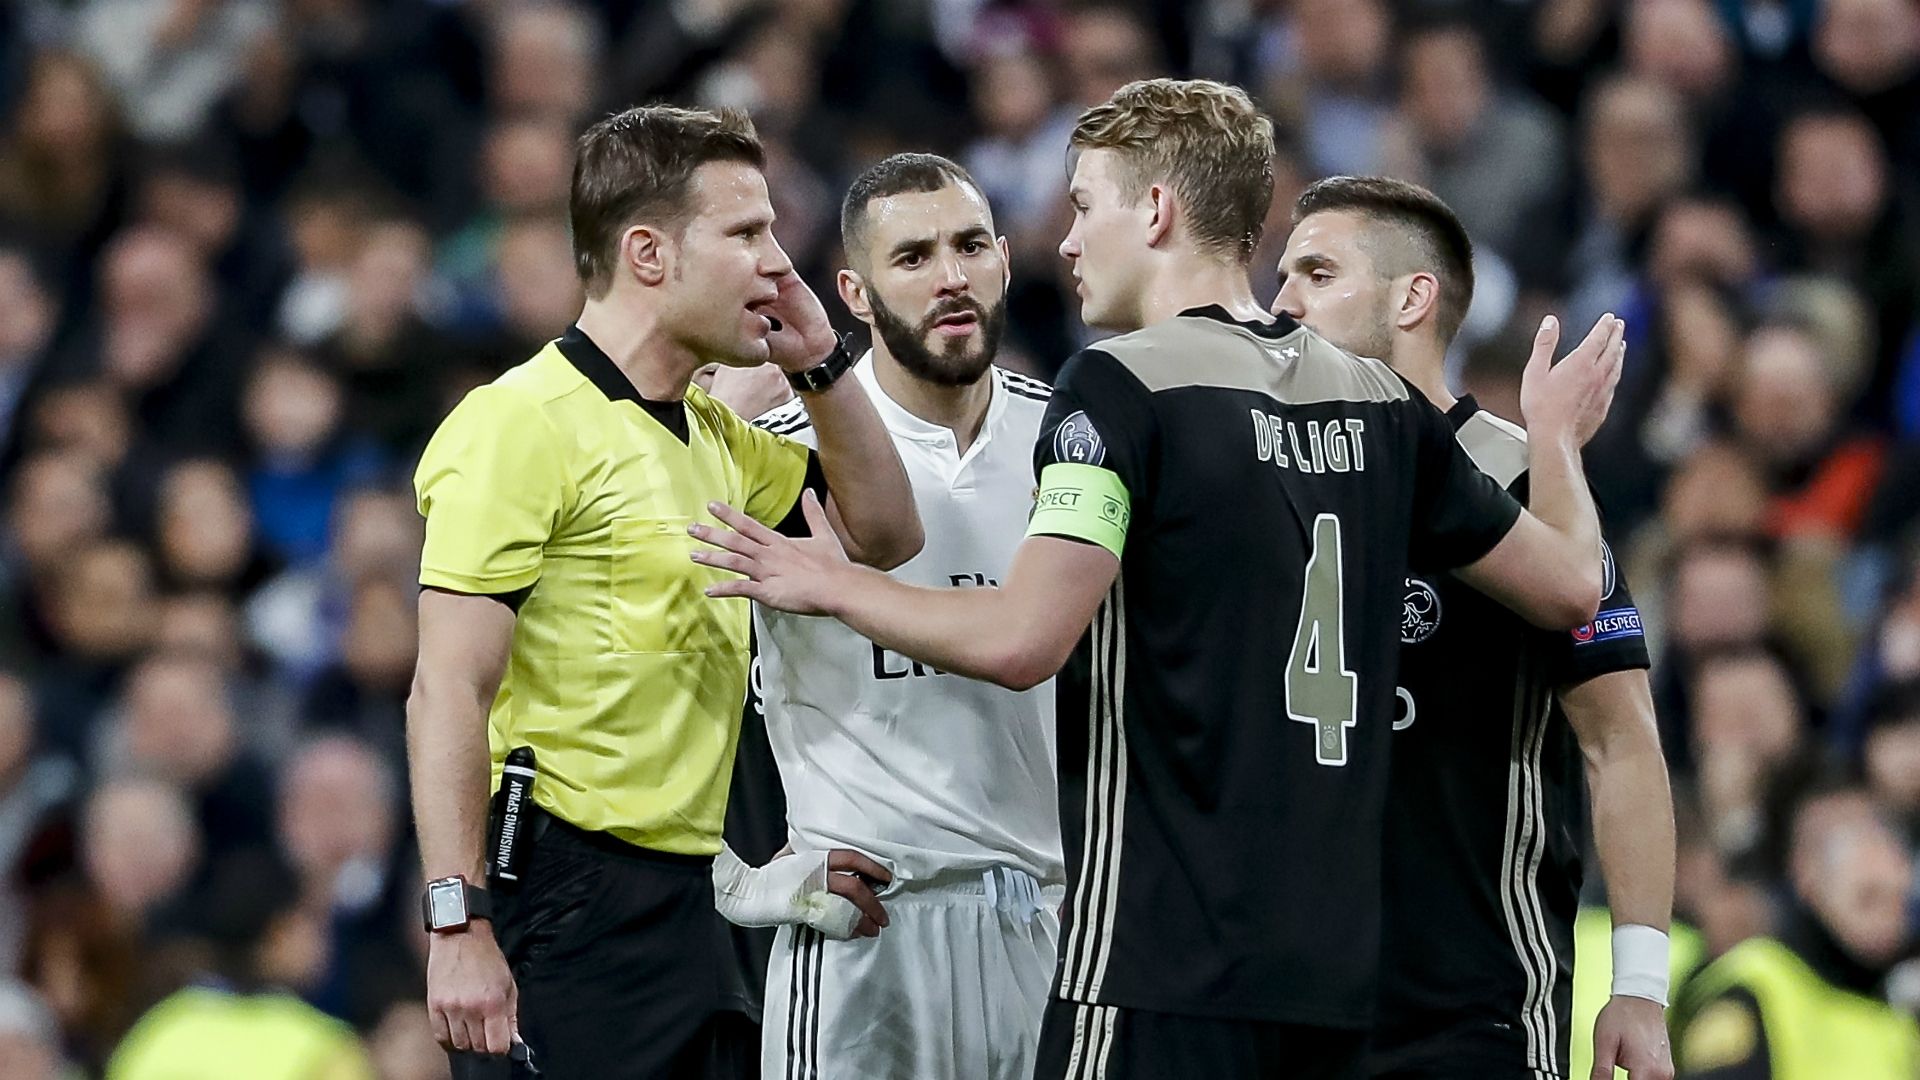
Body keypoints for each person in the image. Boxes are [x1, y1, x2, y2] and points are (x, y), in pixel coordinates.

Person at [688, 78, 1623, 1079]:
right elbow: (1573, 588)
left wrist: (831, 584)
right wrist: (1557, 446)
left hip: (1158, 960)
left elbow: (1023, 640)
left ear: (1159, 211)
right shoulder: (1381, 399)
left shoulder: (1120, 388)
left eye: (1087, 205)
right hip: (1335, 974)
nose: (1071, 241)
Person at [406, 104, 921, 1079]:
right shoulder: (518, 424)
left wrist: (820, 360)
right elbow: (448, 689)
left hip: (696, 898)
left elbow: (887, 534)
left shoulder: (716, 438)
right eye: (746, 233)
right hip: (557, 897)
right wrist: (457, 922)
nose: (778, 262)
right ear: (648, 253)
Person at [1271, 175, 1677, 1080]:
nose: (1282, 299)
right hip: (1287, 1007)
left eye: (1317, 273)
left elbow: (1625, 743)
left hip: (1470, 1007)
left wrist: (1640, 988)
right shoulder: (1266, 477)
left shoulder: (1529, 485)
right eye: (1285, 274)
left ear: (1412, 297)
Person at [712, 152, 1064, 1080]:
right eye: (912, 257)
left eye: (971, 246)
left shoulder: (1076, 446)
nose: (951, 276)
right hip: (866, 930)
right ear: (854, 295)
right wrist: (740, 873)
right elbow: (643, 691)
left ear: (1005, 261)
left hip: (1055, 924)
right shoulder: (772, 466)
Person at [1671, 780, 1920, 1079]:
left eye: (1899, 902)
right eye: (1867, 898)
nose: (1887, 919)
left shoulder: (1898, 1004)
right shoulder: (1754, 986)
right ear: (1812, 886)